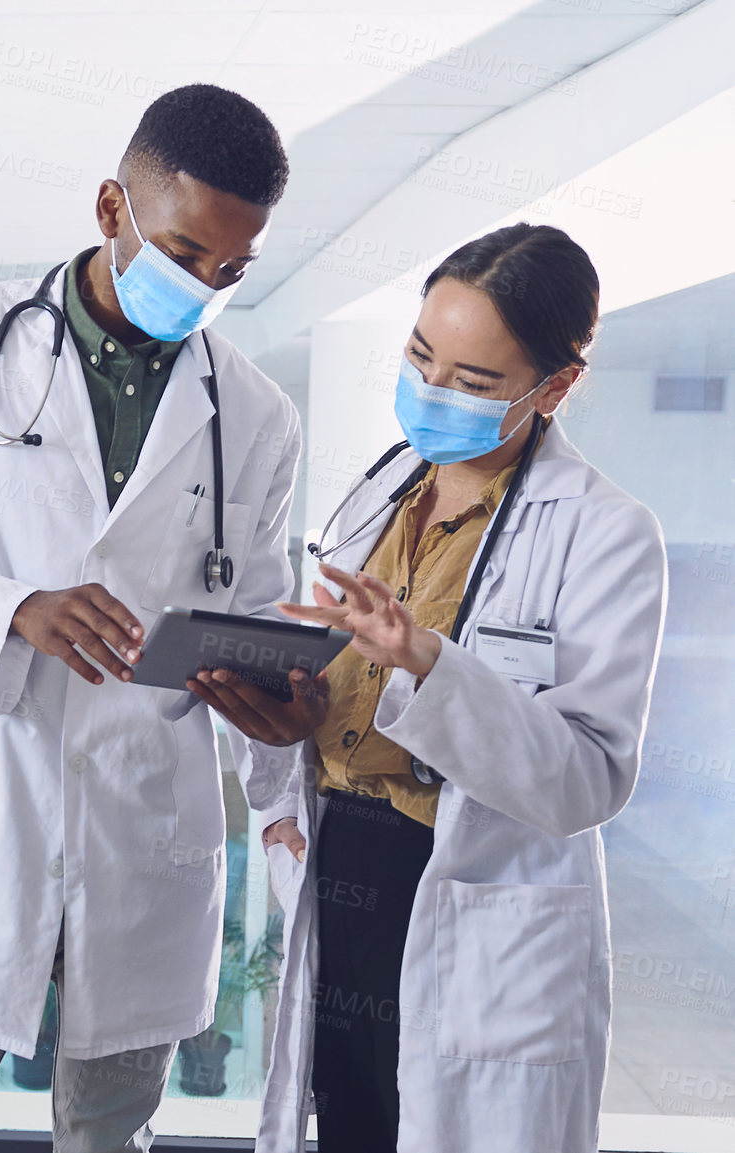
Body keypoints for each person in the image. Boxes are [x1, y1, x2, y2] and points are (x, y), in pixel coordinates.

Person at [0, 85, 301, 1153]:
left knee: (107, 1140)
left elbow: (252, 605)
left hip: (143, 831)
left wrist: (272, 715)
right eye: (183, 253)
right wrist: (11, 610)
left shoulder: (257, 415)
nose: (205, 286)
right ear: (108, 209)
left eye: (231, 269)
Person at [188, 223, 667, 1153]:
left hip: (470, 896)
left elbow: (588, 778)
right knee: (351, 1129)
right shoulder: (378, 495)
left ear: (556, 385)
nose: (433, 391)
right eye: (420, 357)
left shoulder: (608, 533)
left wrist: (430, 662)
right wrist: (283, 775)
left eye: (474, 382)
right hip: (341, 873)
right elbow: (330, 695)